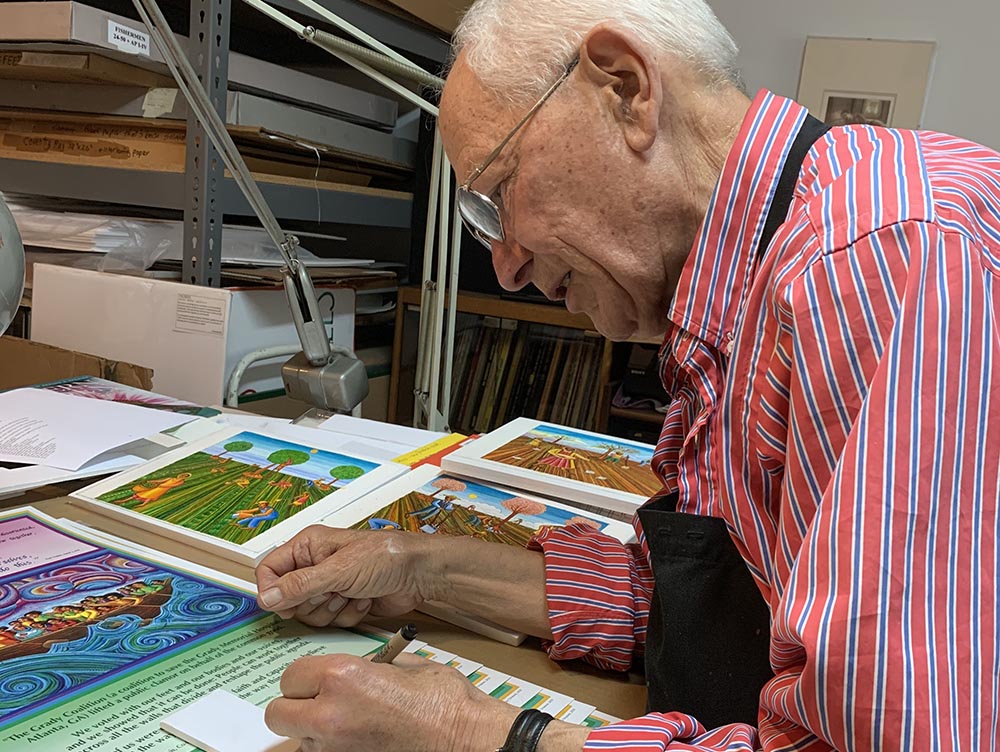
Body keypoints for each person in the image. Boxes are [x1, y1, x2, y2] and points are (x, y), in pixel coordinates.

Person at [255, 0, 1000, 749]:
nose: (506, 268)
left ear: (624, 88)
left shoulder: (881, 259)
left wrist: (480, 736)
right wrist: (414, 568)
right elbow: (713, 608)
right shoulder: (741, 282)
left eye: (499, 194)